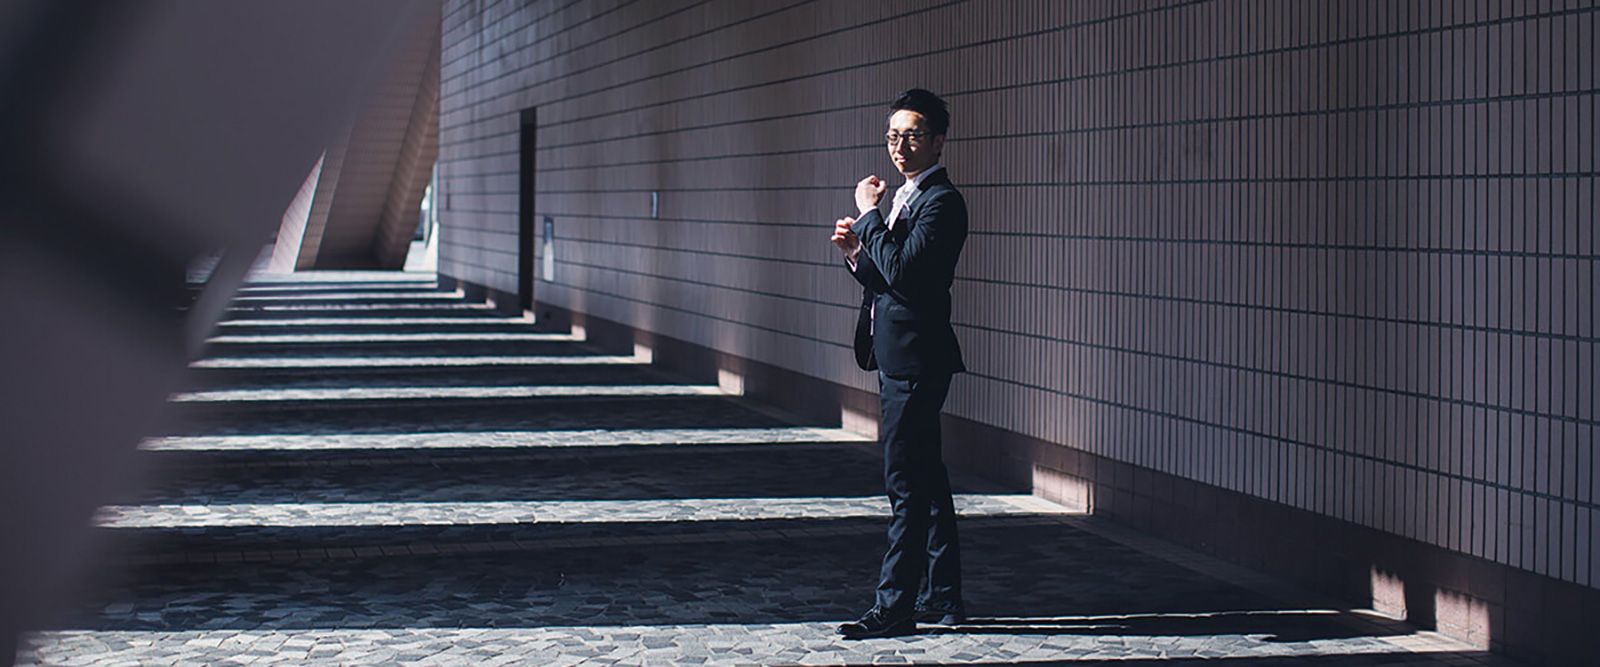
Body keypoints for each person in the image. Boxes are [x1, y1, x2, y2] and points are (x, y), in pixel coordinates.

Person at [830, 88, 968, 639]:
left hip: (916, 359)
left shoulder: (941, 201)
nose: (899, 146)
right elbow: (891, 278)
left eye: (912, 135)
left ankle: (894, 607)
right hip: (900, 354)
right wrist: (856, 255)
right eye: (892, 136)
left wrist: (869, 216)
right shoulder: (910, 197)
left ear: (938, 140)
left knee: (906, 483)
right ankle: (944, 597)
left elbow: (907, 276)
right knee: (926, 479)